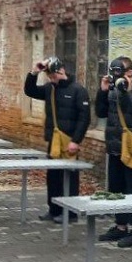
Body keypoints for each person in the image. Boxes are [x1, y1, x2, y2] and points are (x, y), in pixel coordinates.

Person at [95, 56, 132, 248]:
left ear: (130, 72)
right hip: (116, 148)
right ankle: (120, 226)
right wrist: (103, 91)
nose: (115, 76)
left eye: (118, 72)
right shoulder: (113, 90)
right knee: (117, 189)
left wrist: (128, 93)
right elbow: (101, 113)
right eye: (113, 72)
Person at [23, 56, 90, 223]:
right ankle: (54, 210)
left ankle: (71, 213)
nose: (52, 79)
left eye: (54, 76)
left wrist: (76, 140)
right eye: (49, 77)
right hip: (54, 141)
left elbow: (84, 118)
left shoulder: (78, 90)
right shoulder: (49, 89)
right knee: (53, 177)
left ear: (62, 71)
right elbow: (30, 91)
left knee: (69, 178)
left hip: (69, 141)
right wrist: (34, 72)